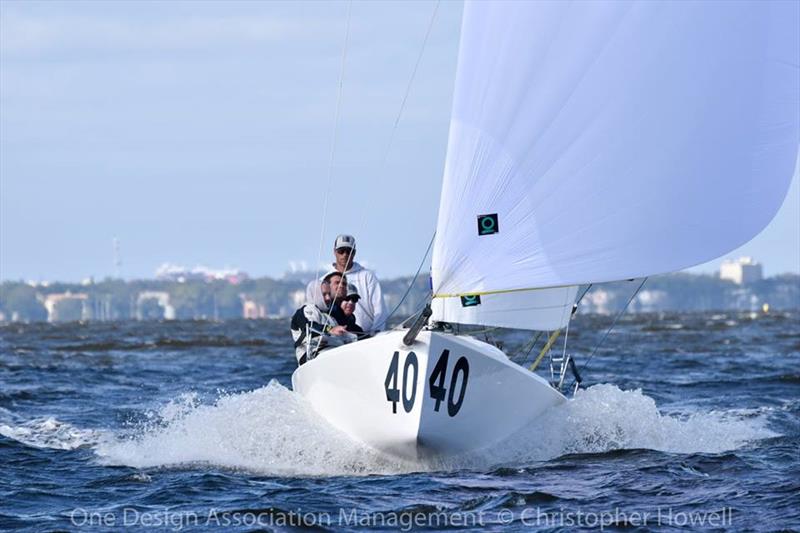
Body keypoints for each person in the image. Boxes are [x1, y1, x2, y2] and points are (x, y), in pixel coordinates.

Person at [329, 234, 386, 332]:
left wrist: (375, 333)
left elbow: (380, 309)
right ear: (334, 252)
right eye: (341, 251)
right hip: (337, 339)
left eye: (349, 251)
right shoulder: (326, 280)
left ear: (354, 253)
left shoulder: (367, 276)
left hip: (367, 337)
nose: (345, 254)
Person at [290, 279, 352, 366]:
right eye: (324, 294)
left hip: (333, 354)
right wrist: (330, 329)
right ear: (315, 294)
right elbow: (309, 327)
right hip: (311, 358)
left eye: (329, 294)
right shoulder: (306, 310)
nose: (328, 298)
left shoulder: (331, 317)